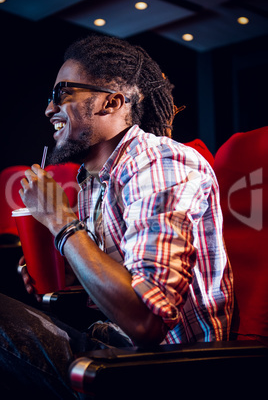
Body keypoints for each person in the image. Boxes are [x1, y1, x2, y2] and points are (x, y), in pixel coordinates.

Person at [0, 35, 233, 398]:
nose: (49, 109)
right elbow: (115, 285)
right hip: (110, 348)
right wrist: (64, 271)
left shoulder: (160, 163)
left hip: (168, 372)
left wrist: (62, 224)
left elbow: (146, 320)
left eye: (62, 93)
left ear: (111, 102)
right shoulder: (95, 180)